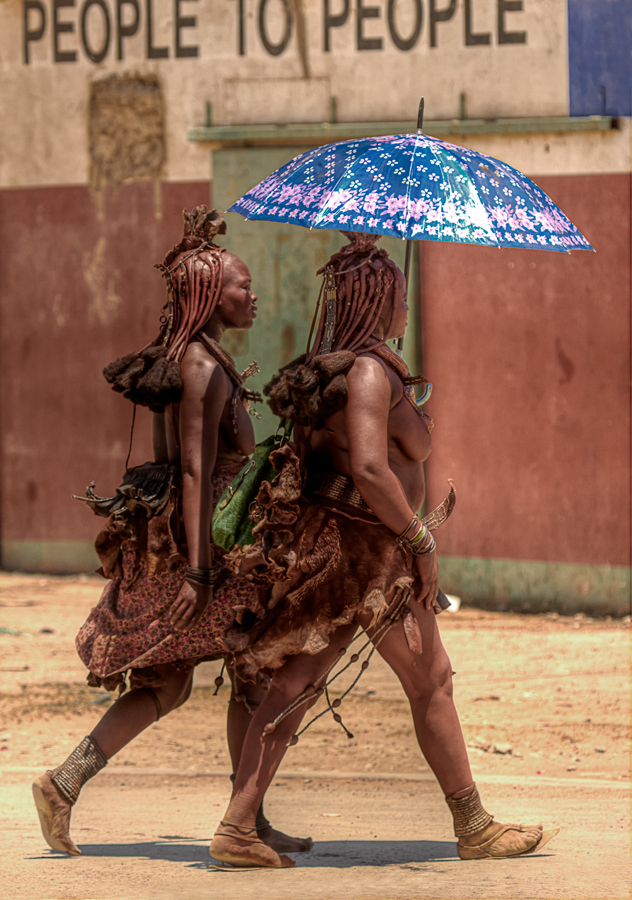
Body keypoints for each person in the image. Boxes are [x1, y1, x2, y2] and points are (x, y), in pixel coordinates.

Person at [207, 232, 559, 868]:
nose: (405, 305)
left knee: (294, 682)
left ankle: (238, 824)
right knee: (433, 681)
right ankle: (474, 826)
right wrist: (418, 539)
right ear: (380, 301)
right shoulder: (368, 373)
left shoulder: (329, 370)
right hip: (371, 559)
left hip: (333, 554)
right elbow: (371, 468)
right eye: (398, 292)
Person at [32, 207, 312, 859]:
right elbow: (194, 468)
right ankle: (232, 820)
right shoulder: (201, 367)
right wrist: (200, 570)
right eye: (243, 285)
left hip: (199, 541)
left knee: (213, 677)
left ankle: (245, 817)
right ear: (213, 294)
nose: (255, 294)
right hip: (202, 547)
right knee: (228, 673)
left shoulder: (200, 357)